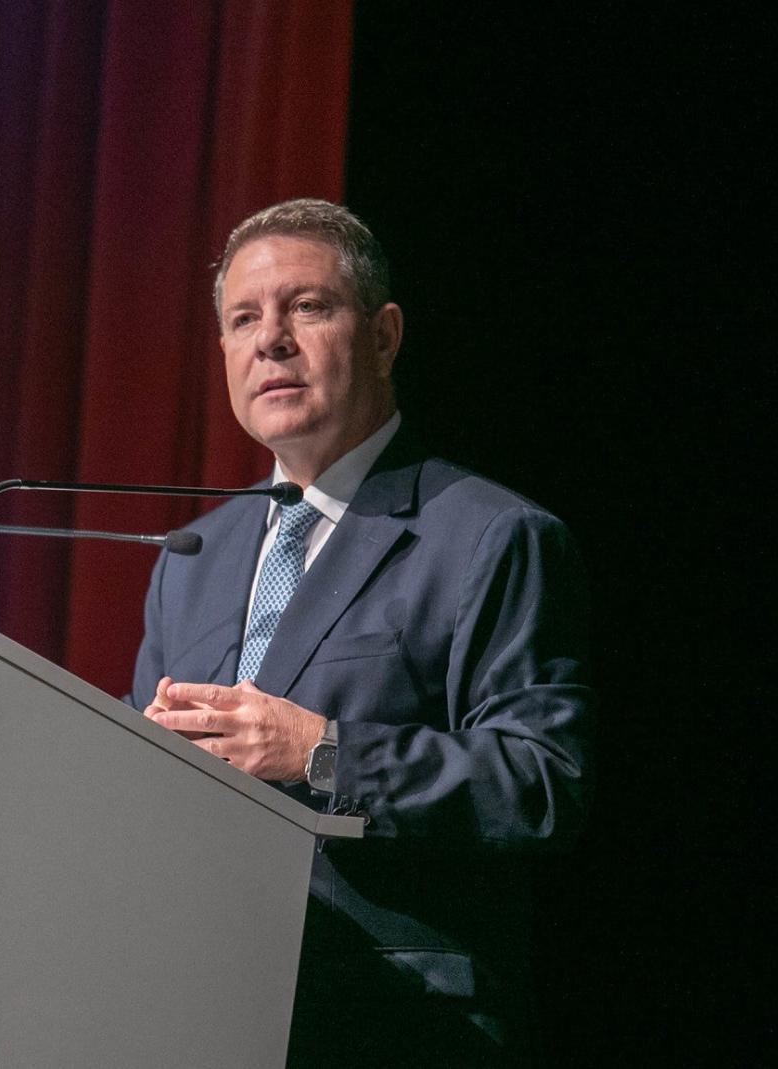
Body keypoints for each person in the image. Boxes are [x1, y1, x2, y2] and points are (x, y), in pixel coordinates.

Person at [133, 199, 593, 1066]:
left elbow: (542, 781)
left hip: (400, 1025)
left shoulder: (489, 535)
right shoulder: (192, 556)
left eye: (306, 307)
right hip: (204, 1009)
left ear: (383, 336)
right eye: (243, 319)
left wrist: (326, 751)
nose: (271, 339)